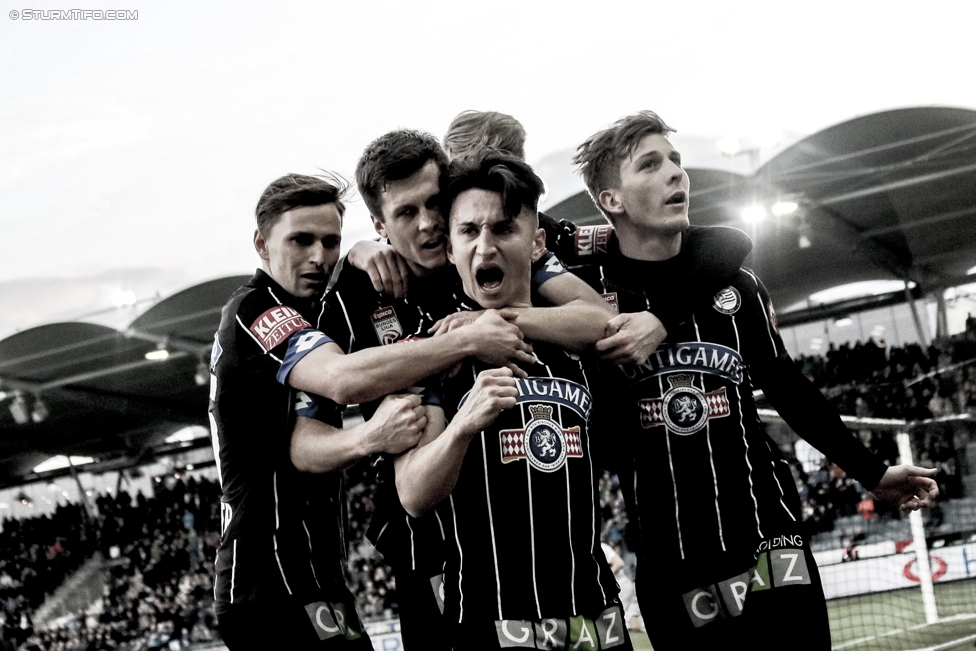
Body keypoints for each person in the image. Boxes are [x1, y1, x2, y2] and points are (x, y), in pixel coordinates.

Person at [571, 111, 940, 649]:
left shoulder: (735, 286)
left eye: (675, 160)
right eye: (650, 165)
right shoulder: (585, 303)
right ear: (611, 200)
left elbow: (788, 387)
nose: (677, 173)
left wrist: (870, 470)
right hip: (669, 552)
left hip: (767, 531)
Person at [320, 129, 628, 650]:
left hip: (572, 584)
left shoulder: (500, 241)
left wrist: (499, 320)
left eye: (435, 204)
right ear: (379, 224)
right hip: (429, 549)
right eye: (405, 213)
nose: (429, 223)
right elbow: (337, 382)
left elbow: (602, 319)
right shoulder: (358, 291)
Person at [209, 173, 536, 649]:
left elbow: (300, 446)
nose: (318, 257)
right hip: (265, 576)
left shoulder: (312, 316)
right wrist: (464, 341)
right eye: (300, 240)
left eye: (330, 242)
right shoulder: (256, 309)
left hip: (317, 573)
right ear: (261, 243)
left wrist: (361, 251)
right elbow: (344, 380)